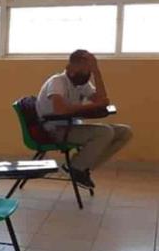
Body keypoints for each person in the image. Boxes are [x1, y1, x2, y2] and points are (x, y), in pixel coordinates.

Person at [37, 50, 131, 188]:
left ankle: (81, 167)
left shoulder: (81, 84)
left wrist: (97, 71)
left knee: (124, 132)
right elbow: (60, 110)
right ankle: (74, 168)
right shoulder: (57, 81)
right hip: (55, 130)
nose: (87, 73)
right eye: (84, 69)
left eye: (89, 70)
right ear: (71, 67)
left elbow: (102, 100)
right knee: (105, 132)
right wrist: (93, 106)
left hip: (72, 127)